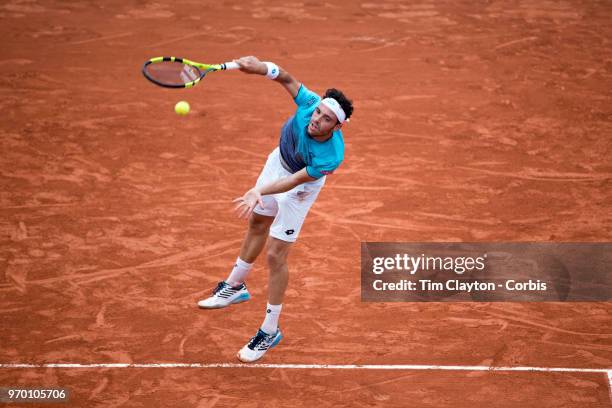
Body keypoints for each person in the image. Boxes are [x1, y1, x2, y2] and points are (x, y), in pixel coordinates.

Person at [198, 56, 353, 363]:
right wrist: (259, 67)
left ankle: (270, 330)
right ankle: (235, 286)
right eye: (318, 112)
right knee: (257, 222)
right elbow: (284, 76)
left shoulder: (330, 156)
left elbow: (293, 182)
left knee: (275, 255)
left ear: (337, 127)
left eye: (325, 119)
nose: (316, 119)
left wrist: (258, 190)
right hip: (277, 162)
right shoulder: (309, 103)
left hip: (298, 190)